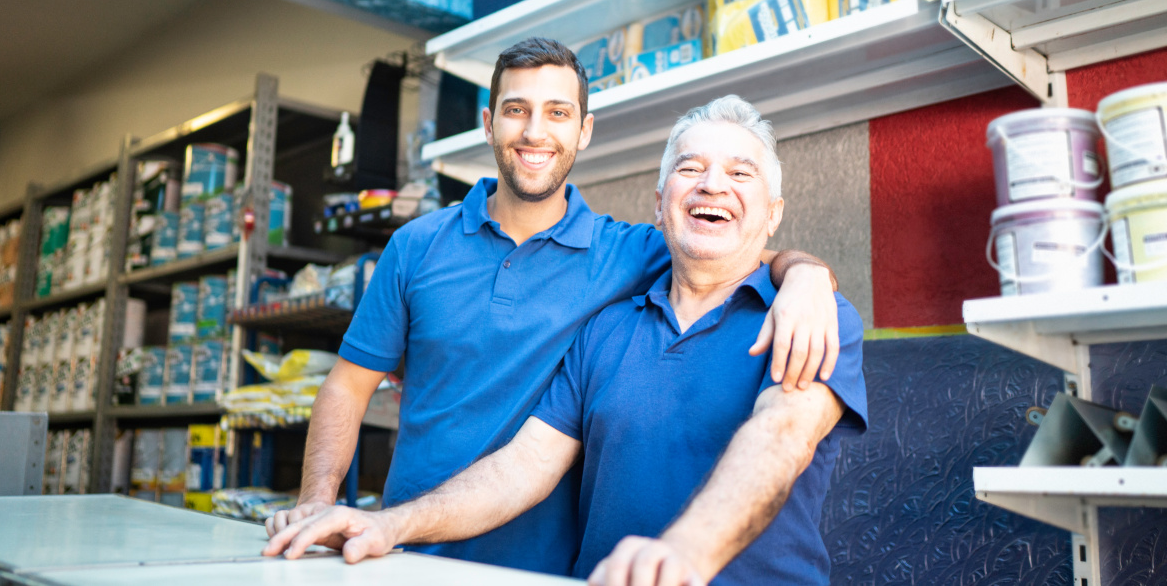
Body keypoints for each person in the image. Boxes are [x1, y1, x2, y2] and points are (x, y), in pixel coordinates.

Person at [266, 38, 845, 575]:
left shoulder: (629, 253)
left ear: (584, 131)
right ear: (489, 123)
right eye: (516, 110)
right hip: (403, 549)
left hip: (542, 567)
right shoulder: (421, 247)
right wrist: (319, 504)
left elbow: (732, 258)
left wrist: (807, 277)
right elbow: (349, 387)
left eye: (558, 113)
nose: (535, 132)